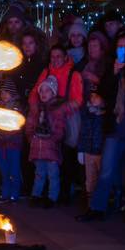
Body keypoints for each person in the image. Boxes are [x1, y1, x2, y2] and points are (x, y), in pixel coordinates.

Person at [79, 31, 125, 223]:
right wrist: (113, 74)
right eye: (119, 47)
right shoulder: (112, 68)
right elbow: (104, 91)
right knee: (107, 168)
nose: (123, 50)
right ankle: (97, 207)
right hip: (117, 125)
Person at [27, 78, 70, 206]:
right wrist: (31, 138)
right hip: (38, 147)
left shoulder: (57, 110)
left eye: (47, 91)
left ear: (53, 93)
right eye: (42, 91)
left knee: (53, 174)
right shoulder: (36, 109)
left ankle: (52, 197)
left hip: (51, 148)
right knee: (39, 173)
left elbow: (60, 128)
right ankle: (36, 195)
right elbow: (29, 124)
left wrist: (53, 139)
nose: (44, 93)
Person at [0, 86, 24, 204]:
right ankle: (5, 193)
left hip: (13, 143)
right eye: (2, 93)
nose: (4, 95)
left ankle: (14, 194)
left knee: (14, 170)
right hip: (1, 143)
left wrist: (6, 135)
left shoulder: (16, 108)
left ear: (12, 94)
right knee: (3, 169)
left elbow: (17, 125)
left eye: (7, 93)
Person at [77, 91, 107, 211]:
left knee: (101, 178)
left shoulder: (105, 117)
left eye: (97, 96)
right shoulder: (87, 115)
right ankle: (91, 205)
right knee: (90, 180)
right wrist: (81, 150)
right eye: (92, 96)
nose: (94, 99)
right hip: (89, 151)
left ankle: (99, 204)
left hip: (100, 151)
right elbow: (83, 133)